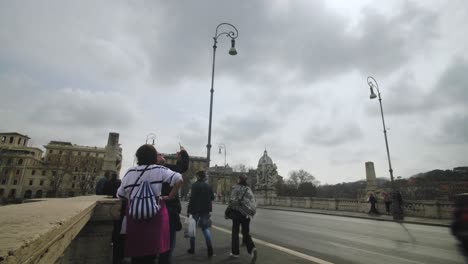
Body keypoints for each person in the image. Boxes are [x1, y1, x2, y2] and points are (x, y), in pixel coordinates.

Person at [117, 144, 183, 264]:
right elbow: (179, 179)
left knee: (136, 254)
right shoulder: (159, 170)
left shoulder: (131, 171)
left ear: (138, 157)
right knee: (151, 254)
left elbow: (120, 195)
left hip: (135, 218)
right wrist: (169, 196)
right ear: (153, 157)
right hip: (154, 217)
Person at [158, 146, 190, 263]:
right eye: (159, 154)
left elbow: (177, 168)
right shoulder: (162, 169)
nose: (163, 155)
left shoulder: (145, 170)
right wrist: (184, 153)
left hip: (154, 209)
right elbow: (181, 168)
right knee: (169, 238)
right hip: (168, 208)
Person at [229, 174, 257, 263]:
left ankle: (235, 252)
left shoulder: (236, 188)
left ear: (239, 180)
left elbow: (232, 201)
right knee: (245, 233)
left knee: (235, 232)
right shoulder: (249, 189)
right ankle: (252, 248)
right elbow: (253, 202)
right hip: (247, 214)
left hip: (237, 213)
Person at [187, 170, 214, 257]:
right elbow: (212, 198)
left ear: (198, 176)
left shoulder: (194, 185)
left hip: (195, 210)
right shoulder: (208, 186)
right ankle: (210, 249)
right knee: (205, 228)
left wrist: (189, 211)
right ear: (204, 177)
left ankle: (192, 249)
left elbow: (192, 199)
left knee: (192, 228)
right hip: (205, 210)